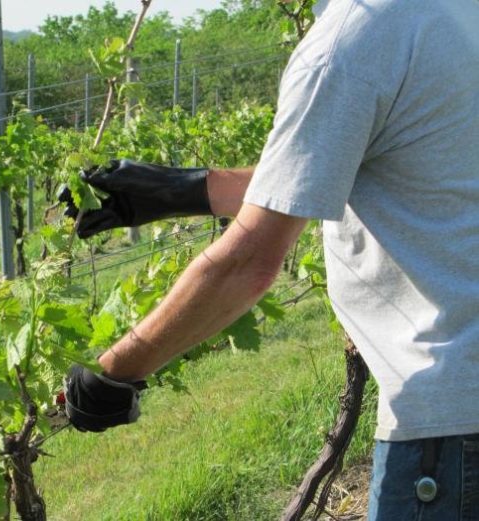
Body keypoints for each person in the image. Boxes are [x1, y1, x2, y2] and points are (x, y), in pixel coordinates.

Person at [61, 0, 479, 518]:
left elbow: (249, 263)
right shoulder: (447, 11)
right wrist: (183, 190)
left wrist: (113, 372)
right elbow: (353, 166)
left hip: (449, 419)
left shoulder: (348, 42)